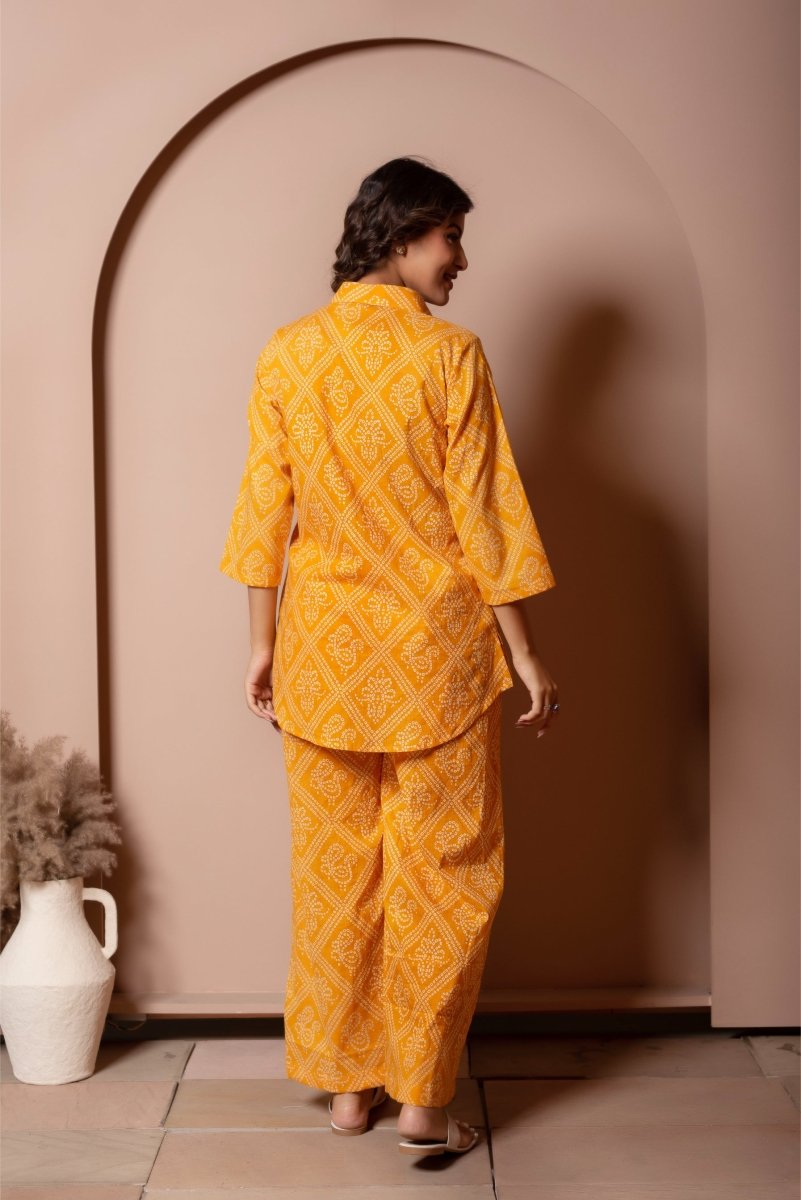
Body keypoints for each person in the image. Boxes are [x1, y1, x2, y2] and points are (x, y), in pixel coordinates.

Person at [219, 156, 559, 1157]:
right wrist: (526, 654)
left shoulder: (288, 352)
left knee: (337, 873)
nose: (461, 259)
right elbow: (487, 517)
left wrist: (262, 645)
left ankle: (348, 1088)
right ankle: (421, 1102)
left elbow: (263, 514)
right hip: (437, 659)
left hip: (322, 659)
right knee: (443, 876)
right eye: (452, 236)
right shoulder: (449, 357)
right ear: (405, 235)